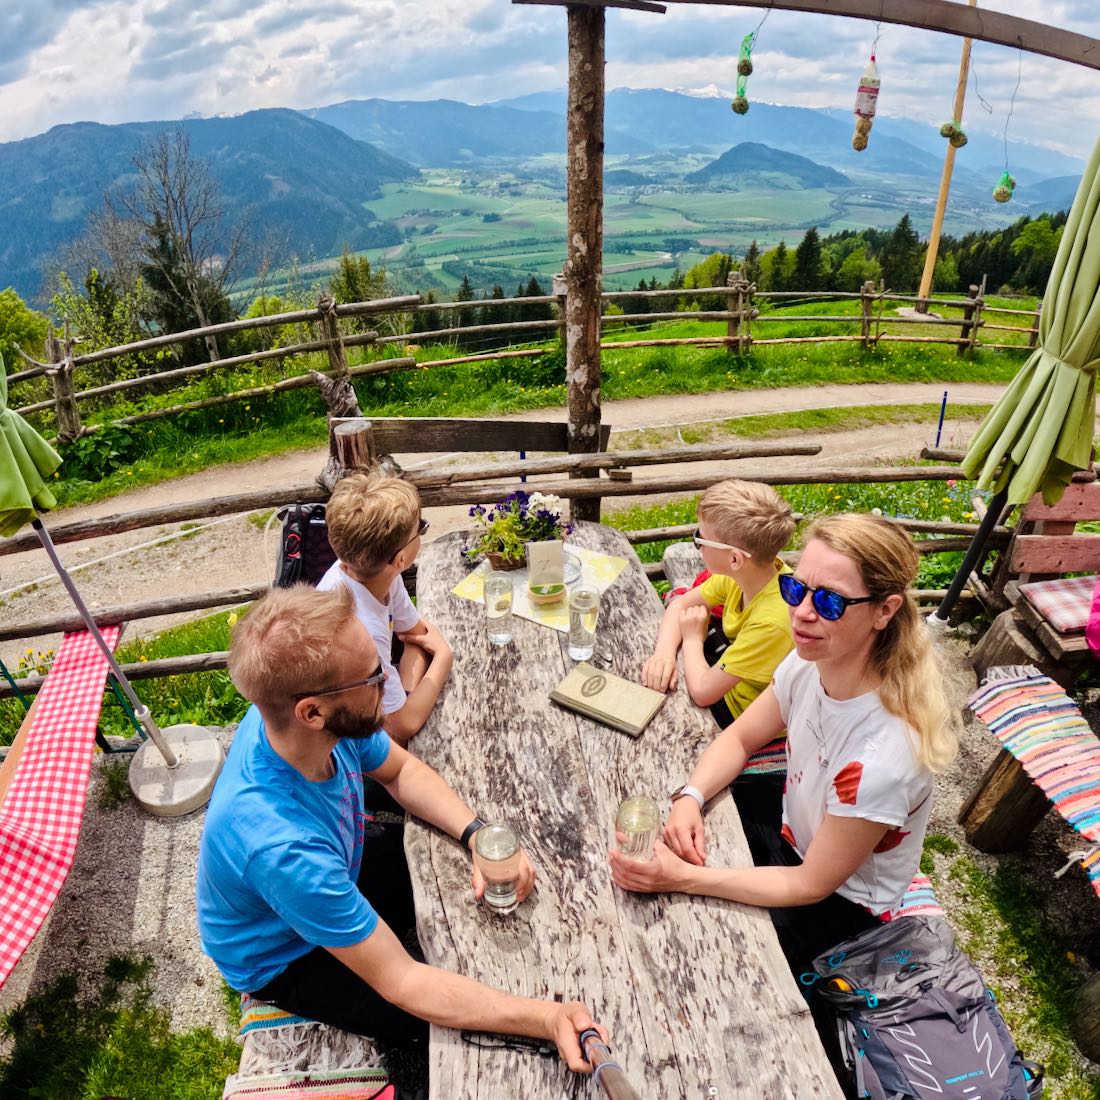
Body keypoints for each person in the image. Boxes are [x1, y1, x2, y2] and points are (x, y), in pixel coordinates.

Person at [196, 584, 604, 1071]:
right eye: (372, 676)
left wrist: (475, 835)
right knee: (439, 1031)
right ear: (311, 711)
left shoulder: (302, 728)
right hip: (283, 954)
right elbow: (404, 982)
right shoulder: (282, 849)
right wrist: (545, 1017)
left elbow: (401, 771)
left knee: (449, 880)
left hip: (336, 864)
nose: (389, 680)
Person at [612, 513, 959, 975]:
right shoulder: (808, 661)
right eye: (796, 589)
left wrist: (685, 879)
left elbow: (810, 885)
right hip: (792, 834)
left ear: (885, 610)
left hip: (842, 906)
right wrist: (690, 797)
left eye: (831, 602)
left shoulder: (882, 759)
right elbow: (740, 737)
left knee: (693, 955)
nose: (803, 612)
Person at [642, 480, 796, 790]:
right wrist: (662, 654)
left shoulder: (773, 621)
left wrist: (693, 638)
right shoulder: (744, 578)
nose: (697, 544)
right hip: (731, 687)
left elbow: (702, 692)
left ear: (735, 558)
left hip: (745, 717)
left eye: (701, 538)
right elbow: (681, 604)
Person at [317, 472, 452, 744]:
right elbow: (401, 725)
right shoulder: (359, 629)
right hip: (347, 744)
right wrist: (443, 659)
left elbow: (415, 635)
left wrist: (405, 691)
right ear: (400, 559)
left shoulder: (375, 574)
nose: (423, 533)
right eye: (420, 529)